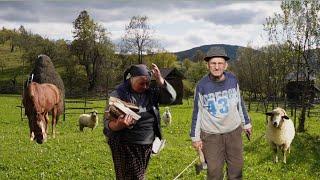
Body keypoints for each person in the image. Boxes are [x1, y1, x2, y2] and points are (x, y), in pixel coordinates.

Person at [103, 63, 176, 180]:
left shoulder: (151, 91)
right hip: (125, 144)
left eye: (148, 83)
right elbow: (107, 123)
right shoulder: (118, 94)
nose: (146, 86)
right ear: (131, 80)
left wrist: (160, 80)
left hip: (146, 144)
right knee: (134, 177)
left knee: (136, 176)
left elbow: (171, 98)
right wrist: (118, 125)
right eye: (141, 83)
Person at [190, 47, 252, 180]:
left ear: (226, 65)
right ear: (208, 65)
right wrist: (195, 138)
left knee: (236, 168)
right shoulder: (201, 86)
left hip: (233, 132)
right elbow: (197, 112)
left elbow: (239, 102)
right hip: (211, 136)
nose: (216, 67)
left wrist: (246, 123)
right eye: (213, 63)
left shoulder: (233, 80)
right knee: (214, 172)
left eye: (220, 63)